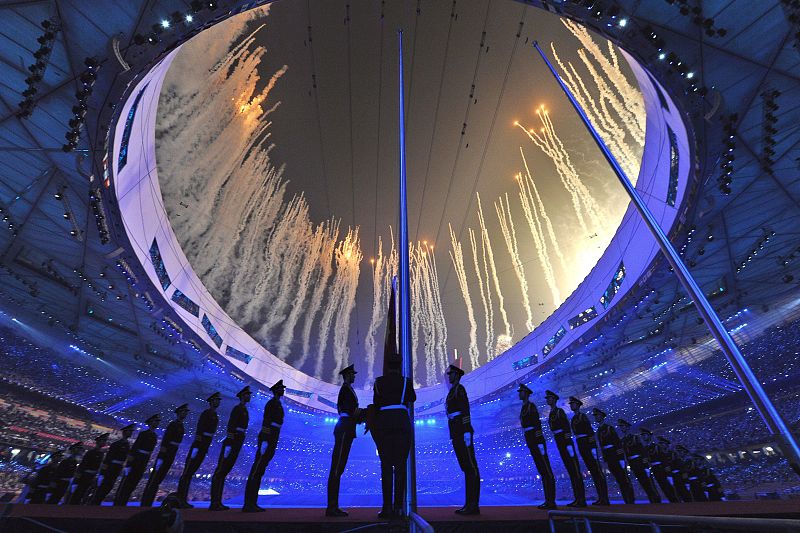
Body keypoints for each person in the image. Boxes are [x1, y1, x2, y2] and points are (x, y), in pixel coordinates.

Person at [373, 359, 416, 518]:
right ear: (399, 367)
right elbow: (412, 398)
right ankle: (398, 507)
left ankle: (386, 507)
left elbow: (376, 403)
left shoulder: (379, 382)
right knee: (400, 467)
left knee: (385, 467)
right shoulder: (406, 381)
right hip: (402, 423)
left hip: (384, 425)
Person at [243, 380, 286, 513]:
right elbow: (266, 421)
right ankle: (249, 503)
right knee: (257, 470)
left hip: (273, 437)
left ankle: (252, 502)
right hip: (268, 437)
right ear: (276, 390)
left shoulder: (277, 403)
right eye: (281, 389)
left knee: (260, 471)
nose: (283, 390)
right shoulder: (272, 403)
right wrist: (266, 440)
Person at [326, 364, 361, 517]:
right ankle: (332, 507)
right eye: (352, 374)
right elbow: (347, 409)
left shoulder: (348, 389)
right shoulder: (345, 389)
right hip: (345, 428)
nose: (354, 376)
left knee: (338, 468)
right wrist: (362, 415)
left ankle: (333, 506)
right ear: (347, 375)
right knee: (336, 468)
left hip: (347, 427)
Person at [445, 364, 479, 515]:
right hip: (456, 431)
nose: (449, 376)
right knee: (466, 468)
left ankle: (473, 505)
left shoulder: (460, 389)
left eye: (451, 374)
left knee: (471, 468)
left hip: (462, 431)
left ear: (457, 375)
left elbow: (465, 409)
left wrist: (466, 430)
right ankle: (469, 503)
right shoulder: (453, 390)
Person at [209, 385, 251, 511]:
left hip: (237, 441)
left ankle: (218, 501)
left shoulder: (244, 410)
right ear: (242, 396)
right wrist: (229, 443)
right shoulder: (237, 409)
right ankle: (214, 502)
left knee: (224, 471)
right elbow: (231, 425)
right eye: (247, 394)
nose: (249, 396)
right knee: (221, 471)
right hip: (232, 442)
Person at [176, 392, 221, 508]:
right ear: (211, 401)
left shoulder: (215, 415)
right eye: (216, 400)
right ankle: (180, 499)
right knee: (187, 473)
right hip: (199, 444)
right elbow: (200, 429)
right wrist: (197, 445)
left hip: (204, 445)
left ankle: (183, 499)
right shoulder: (206, 413)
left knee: (190, 473)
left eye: (218, 400)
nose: (218, 402)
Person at [141, 404, 190, 506]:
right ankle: (146, 502)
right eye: (183, 411)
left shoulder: (181, 425)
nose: (185, 413)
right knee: (155, 477)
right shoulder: (173, 424)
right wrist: (162, 454)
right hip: (166, 453)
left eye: (186, 412)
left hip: (172, 452)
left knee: (159, 478)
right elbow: (166, 439)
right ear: (178, 413)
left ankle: (148, 501)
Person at [518, 383, 556, 509]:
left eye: (521, 392)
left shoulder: (530, 406)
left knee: (546, 470)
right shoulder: (524, 407)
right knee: (542, 470)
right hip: (530, 439)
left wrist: (539, 441)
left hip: (536, 439)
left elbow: (536, 424)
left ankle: (551, 501)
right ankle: (548, 500)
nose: (519, 393)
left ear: (526, 393)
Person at [546, 390, 585, 507]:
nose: (547, 400)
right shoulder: (552, 413)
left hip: (565, 441)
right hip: (559, 440)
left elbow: (566, 427)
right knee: (570, 471)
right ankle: (577, 498)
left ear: (554, 399)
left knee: (574, 470)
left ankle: (581, 499)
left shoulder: (559, 411)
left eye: (549, 398)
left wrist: (568, 444)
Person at [568, 397, 609, 505]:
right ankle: (601, 498)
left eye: (573, 404)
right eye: (570, 404)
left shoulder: (582, 416)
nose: (571, 405)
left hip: (587, 444)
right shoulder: (574, 418)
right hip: (581, 444)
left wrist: (593, 447)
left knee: (597, 471)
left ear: (578, 405)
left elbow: (590, 432)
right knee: (593, 470)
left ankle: (604, 498)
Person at [114, 414, 161, 506]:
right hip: (137, 459)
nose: (158, 423)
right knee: (128, 481)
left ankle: (124, 501)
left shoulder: (155, 435)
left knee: (135, 482)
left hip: (144, 460)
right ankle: (119, 502)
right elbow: (135, 447)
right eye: (156, 421)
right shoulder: (143, 434)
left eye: (158, 421)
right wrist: (129, 464)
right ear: (151, 422)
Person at [592, 408, 634, 504]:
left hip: (615, 455)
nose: (596, 417)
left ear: (602, 416)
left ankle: (630, 499)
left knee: (623, 477)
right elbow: (602, 446)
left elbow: (617, 442)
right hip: (608, 456)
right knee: (618, 478)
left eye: (597, 415)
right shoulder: (599, 431)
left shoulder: (609, 428)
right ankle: (626, 499)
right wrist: (605, 459)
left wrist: (620, 457)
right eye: (595, 416)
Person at [90, 423, 135, 505]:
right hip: (111, 467)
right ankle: (94, 503)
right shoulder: (116, 444)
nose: (131, 433)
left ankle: (97, 502)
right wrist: (102, 473)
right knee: (104, 485)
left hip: (118, 467)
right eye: (130, 431)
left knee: (109, 486)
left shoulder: (127, 444)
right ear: (125, 432)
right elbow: (108, 458)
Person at [617, 420, 660, 503]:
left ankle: (656, 499)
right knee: (642, 482)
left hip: (640, 462)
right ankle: (652, 499)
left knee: (649, 482)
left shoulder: (635, 437)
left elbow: (642, 450)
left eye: (623, 426)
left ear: (627, 427)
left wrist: (645, 464)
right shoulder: (622, 440)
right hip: (633, 463)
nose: (621, 428)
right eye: (620, 426)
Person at [68, 433, 108, 504]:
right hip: (85, 475)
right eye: (103, 441)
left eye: (105, 441)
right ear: (98, 442)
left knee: (86, 494)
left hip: (93, 476)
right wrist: (77, 478)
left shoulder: (101, 454)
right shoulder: (90, 452)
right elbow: (83, 465)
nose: (104, 442)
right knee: (79, 492)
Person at [643, 430, 678, 502]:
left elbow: (664, 459)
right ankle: (672, 501)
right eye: (642, 435)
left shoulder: (656, 447)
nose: (643, 437)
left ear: (649, 436)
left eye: (645, 435)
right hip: (654, 468)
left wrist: (668, 472)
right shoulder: (645, 448)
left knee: (667, 485)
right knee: (662, 486)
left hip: (661, 467)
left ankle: (675, 501)